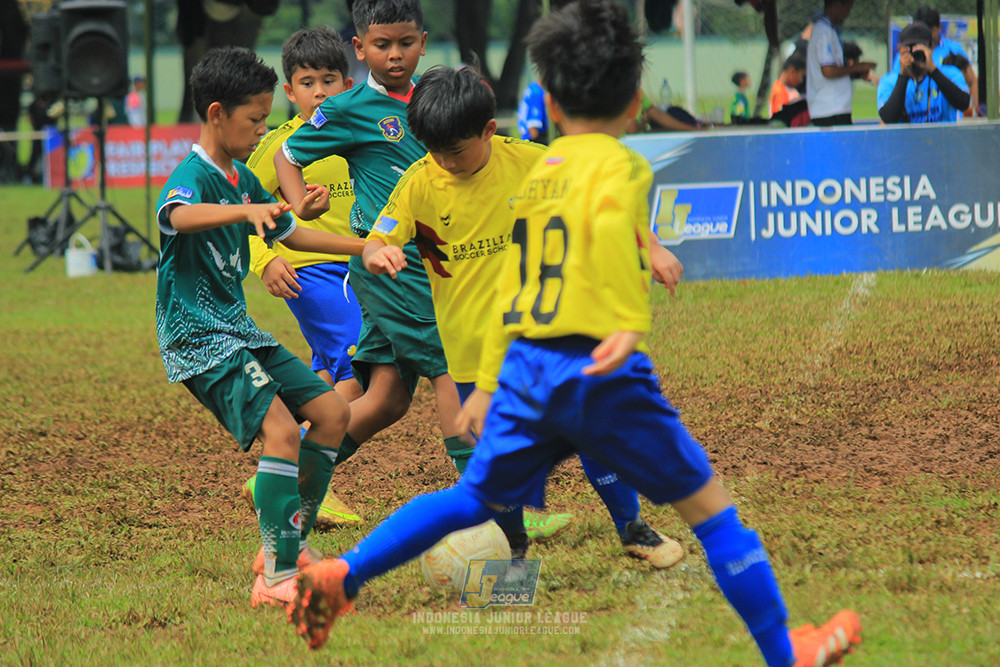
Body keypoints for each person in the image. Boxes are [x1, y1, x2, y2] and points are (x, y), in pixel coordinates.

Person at [284, 3, 864, 666]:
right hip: (596, 366)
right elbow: (614, 232)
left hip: (527, 369)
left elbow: (519, 287)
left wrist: (489, 380)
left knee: (469, 496)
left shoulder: (539, 172)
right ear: (637, 104)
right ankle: (785, 647)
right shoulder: (619, 167)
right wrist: (629, 322)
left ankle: (342, 575)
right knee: (715, 514)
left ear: (551, 106)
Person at [273, 0, 572, 550]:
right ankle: (490, 506)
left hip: (426, 267)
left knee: (386, 399)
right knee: (451, 371)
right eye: (381, 45)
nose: (394, 55)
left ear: (423, 41)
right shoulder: (348, 108)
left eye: (405, 43)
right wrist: (299, 209)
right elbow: (285, 154)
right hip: (396, 267)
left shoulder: (440, 99)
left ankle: (283, 478)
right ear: (359, 49)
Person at [363, 64, 685, 569]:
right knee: (500, 458)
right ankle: (512, 552)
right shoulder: (418, 183)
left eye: (456, 150)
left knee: (594, 428)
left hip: (547, 336)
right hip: (472, 352)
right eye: (434, 151)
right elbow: (378, 238)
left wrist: (654, 247)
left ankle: (633, 527)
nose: (445, 162)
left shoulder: (533, 163)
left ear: (489, 130)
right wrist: (378, 253)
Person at [154, 46, 364, 609]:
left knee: (331, 412)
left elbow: (292, 233)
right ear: (218, 113)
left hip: (238, 329)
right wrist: (246, 211)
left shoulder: (241, 175)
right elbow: (176, 215)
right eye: (253, 121)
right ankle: (275, 577)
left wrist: (369, 245)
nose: (260, 131)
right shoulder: (193, 175)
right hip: (199, 337)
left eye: (265, 121)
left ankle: (288, 545)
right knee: (280, 431)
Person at [241, 27, 365, 529]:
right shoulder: (279, 146)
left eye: (329, 80)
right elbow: (238, 207)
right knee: (365, 372)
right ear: (289, 92)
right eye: (307, 82)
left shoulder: (359, 131)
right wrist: (263, 259)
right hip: (312, 274)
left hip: (360, 269)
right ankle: (287, 474)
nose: (319, 91)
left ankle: (289, 473)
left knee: (330, 378)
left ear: (347, 82)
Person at [877, 22, 969, 125]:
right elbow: (889, 118)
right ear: (899, 49)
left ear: (932, 47)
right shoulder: (889, 81)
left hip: (943, 139)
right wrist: (903, 76)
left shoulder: (950, 73)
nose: (914, 54)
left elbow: (964, 103)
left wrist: (933, 71)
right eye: (908, 49)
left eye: (919, 49)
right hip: (905, 140)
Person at [805, 0, 875, 127]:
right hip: (829, 109)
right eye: (848, 8)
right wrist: (856, 68)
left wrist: (857, 72)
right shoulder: (823, 32)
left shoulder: (829, 30)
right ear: (837, 4)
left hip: (835, 108)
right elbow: (828, 71)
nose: (848, 13)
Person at [912, 6, 978, 116]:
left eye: (930, 31)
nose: (927, 36)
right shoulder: (911, 54)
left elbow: (972, 80)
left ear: (939, 27)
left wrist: (976, 110)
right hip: (920, 118)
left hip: (951, 119)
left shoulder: (954, 49)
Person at [516, 79, 548, 143]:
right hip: (531, 139)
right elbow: (533, 130)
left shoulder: (532, 87)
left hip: (525, 137)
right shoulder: (537, 93)